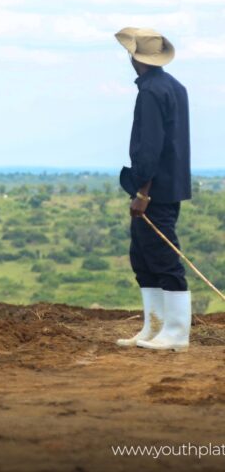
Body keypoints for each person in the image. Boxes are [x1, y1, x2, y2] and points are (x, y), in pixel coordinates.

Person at [115, 27, 192, 351]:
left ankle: (175, 333)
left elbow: (150, 148)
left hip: (155, 191)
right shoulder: (173, 86)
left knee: (162, 259)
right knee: (143, 258)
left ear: (136, 57)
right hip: (168, 186)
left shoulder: (150, 92)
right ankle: (154, 328)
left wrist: (142, 193)